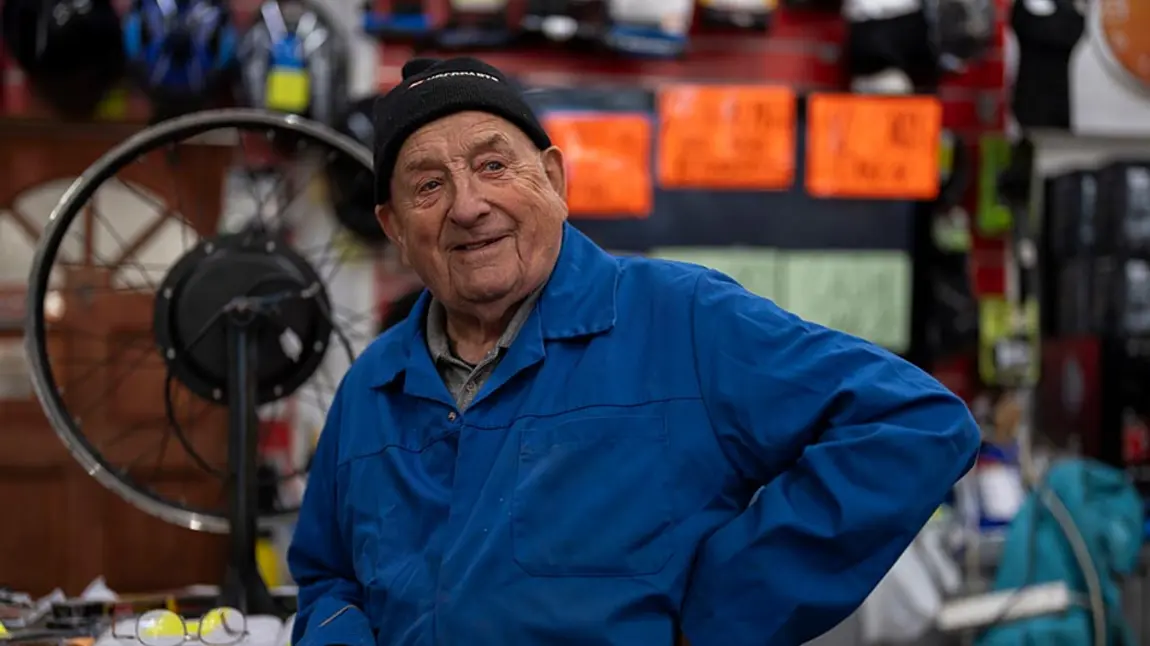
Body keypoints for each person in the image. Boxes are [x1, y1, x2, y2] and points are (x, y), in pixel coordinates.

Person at [289, 56, 982, 646]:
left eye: (494, 164)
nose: (468, 205)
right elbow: (327, 576)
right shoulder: (371, 387)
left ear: (555, 181)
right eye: (429, 185)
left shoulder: (680, 319)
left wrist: (722, 612)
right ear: (394, 227)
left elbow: (914, 425)